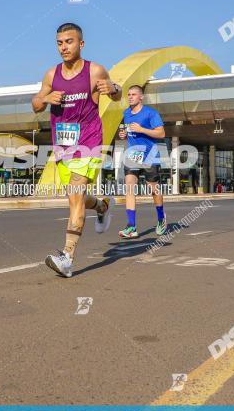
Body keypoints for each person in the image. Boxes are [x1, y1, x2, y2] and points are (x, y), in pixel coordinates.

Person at [32, 23, 121, 278]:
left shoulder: (94, 71)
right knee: (76, 198)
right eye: (60, 42)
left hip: (89, 141)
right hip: (63, 145)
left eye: (69, 42)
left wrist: (113, 90)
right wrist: (45, 99)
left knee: (75, 195)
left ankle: (67, 257)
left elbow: (117, 92)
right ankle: (102, 206)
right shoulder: (52, 75)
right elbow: (36, 103)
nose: (64, 47)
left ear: (80, 44)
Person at [117, 85, 166, 238]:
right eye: (129, 94)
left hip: (150, 155)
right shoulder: (126, 113)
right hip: (133, 155)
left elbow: (161, 133)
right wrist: (124, 134)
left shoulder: (151, 113)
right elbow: (128, 131)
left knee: (154, 190)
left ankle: (161, 218)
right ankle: (131, 226)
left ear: (141, 97)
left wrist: (142, 130)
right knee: (129, 188)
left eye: (133, 94)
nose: (130, 97)